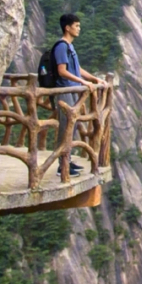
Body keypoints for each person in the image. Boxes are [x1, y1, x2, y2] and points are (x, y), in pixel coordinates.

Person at [53, 13, 101, 176]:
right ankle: (62, 166)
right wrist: (82, 82)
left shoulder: (70, 46)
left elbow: (77, 69)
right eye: (77, 26)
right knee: (66, 126)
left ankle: (67, 160)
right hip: (65, 90)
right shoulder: (61, 46)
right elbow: (62, 71)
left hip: (72, 90)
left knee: (71, 127)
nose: (79, 29)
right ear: (67, 28)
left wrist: (93, 79)